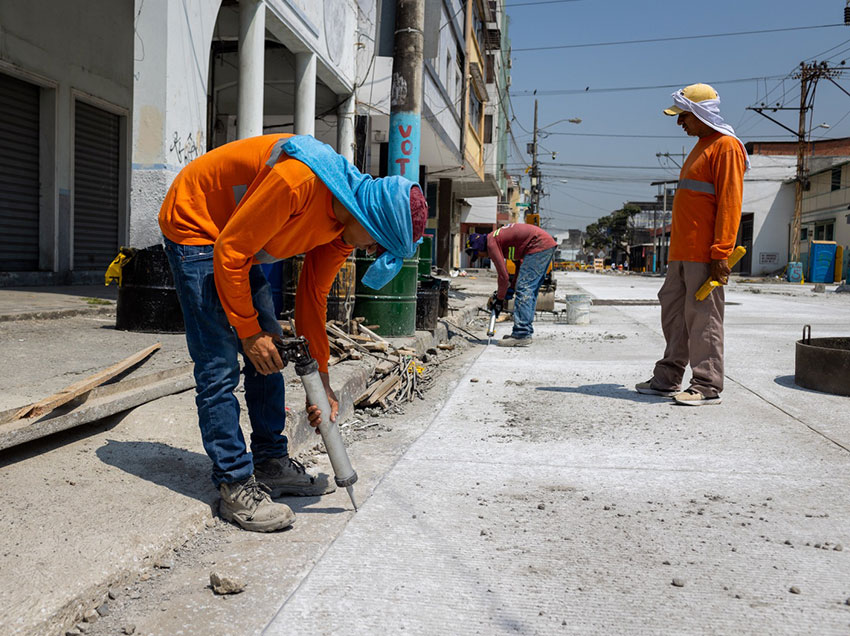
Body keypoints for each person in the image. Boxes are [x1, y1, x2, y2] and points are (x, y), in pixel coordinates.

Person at [159, 134, 426, 531]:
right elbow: (229, 251)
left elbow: (312, 300)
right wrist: (247, 332)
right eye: (376, 244)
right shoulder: (298, 183)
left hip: (238, 239)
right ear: (368, 219)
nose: (370, 252)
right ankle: (233, 483)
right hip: (198, 222)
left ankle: (269, 461)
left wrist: (322, 383)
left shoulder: (344, 228)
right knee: (218, 365)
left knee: (271, 354)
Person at [635, 83, 748, 406]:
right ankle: (668, 377)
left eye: (682, 115)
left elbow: (730, 203)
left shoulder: (725, 147)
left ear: (700, 113)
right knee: (674, 314)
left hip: (704, 253)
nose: (679, 122)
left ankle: (707, 383)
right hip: (681, 253)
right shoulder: (701, 146)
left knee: (703, 318)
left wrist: (720, 252)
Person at [466, 223, 557, 346]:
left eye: (478, 255)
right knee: (528, 289)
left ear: (479, 248)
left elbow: (503, 277)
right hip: (543, 245)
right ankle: (525, 331)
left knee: (525, 289)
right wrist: (511, 289)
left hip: (538, 246)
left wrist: (499, 299)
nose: (481, 258)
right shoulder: (501, 241)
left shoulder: (491, 243)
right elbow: (519, 265)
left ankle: (521, 334)